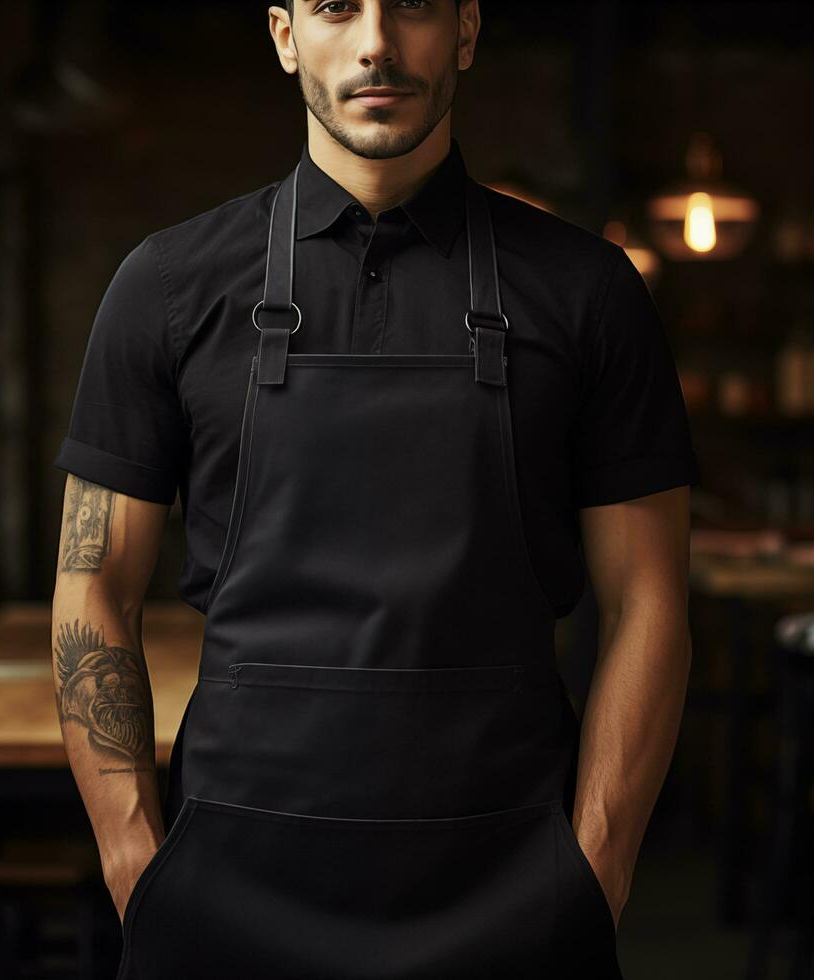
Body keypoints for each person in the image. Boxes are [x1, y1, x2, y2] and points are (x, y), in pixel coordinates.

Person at [50, 1, 699, 976]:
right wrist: (134, 854)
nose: (376, 44)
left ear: (469, 33)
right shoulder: (167, 285)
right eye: (334, 7)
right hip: (225, 886)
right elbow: (92, 583)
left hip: (509, 884)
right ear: (282, 36)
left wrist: (593, 865)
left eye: (415, 6)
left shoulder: (589, 292)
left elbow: (647, 596)